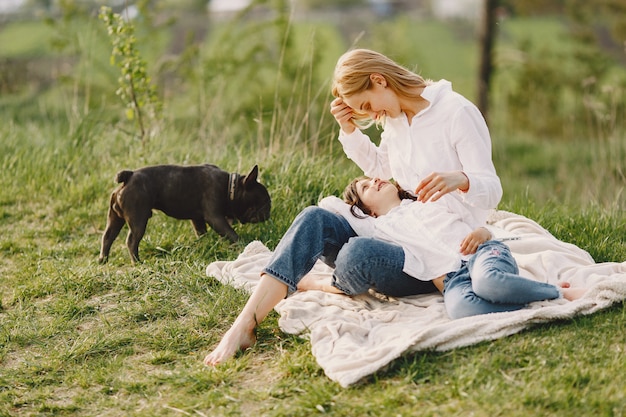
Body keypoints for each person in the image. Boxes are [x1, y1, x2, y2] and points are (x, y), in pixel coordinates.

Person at [204, 48, 503, 365]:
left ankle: (319, 284)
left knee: (357, 254)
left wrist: (461, 179)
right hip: (398, 232)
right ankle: (245, 324)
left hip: (437, 254)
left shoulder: (456, 112)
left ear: (379, 80)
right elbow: (380, 168)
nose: (372, 115)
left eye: (367, 105)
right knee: (314, 218)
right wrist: (349, 129)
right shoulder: (396, 121)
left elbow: (492, 190)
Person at [330, 176, 587, 319]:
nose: (374, 180)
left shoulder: (429, 200)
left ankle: (557, 293)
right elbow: (331, 206)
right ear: (367, 211)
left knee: (488, 283)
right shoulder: (380, 231)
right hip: (452, 279)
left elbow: (481, 222)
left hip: (482, 252)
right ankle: (532, 301)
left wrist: (482, 233)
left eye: (372, 177)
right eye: (365, 187)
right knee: (461, 309)